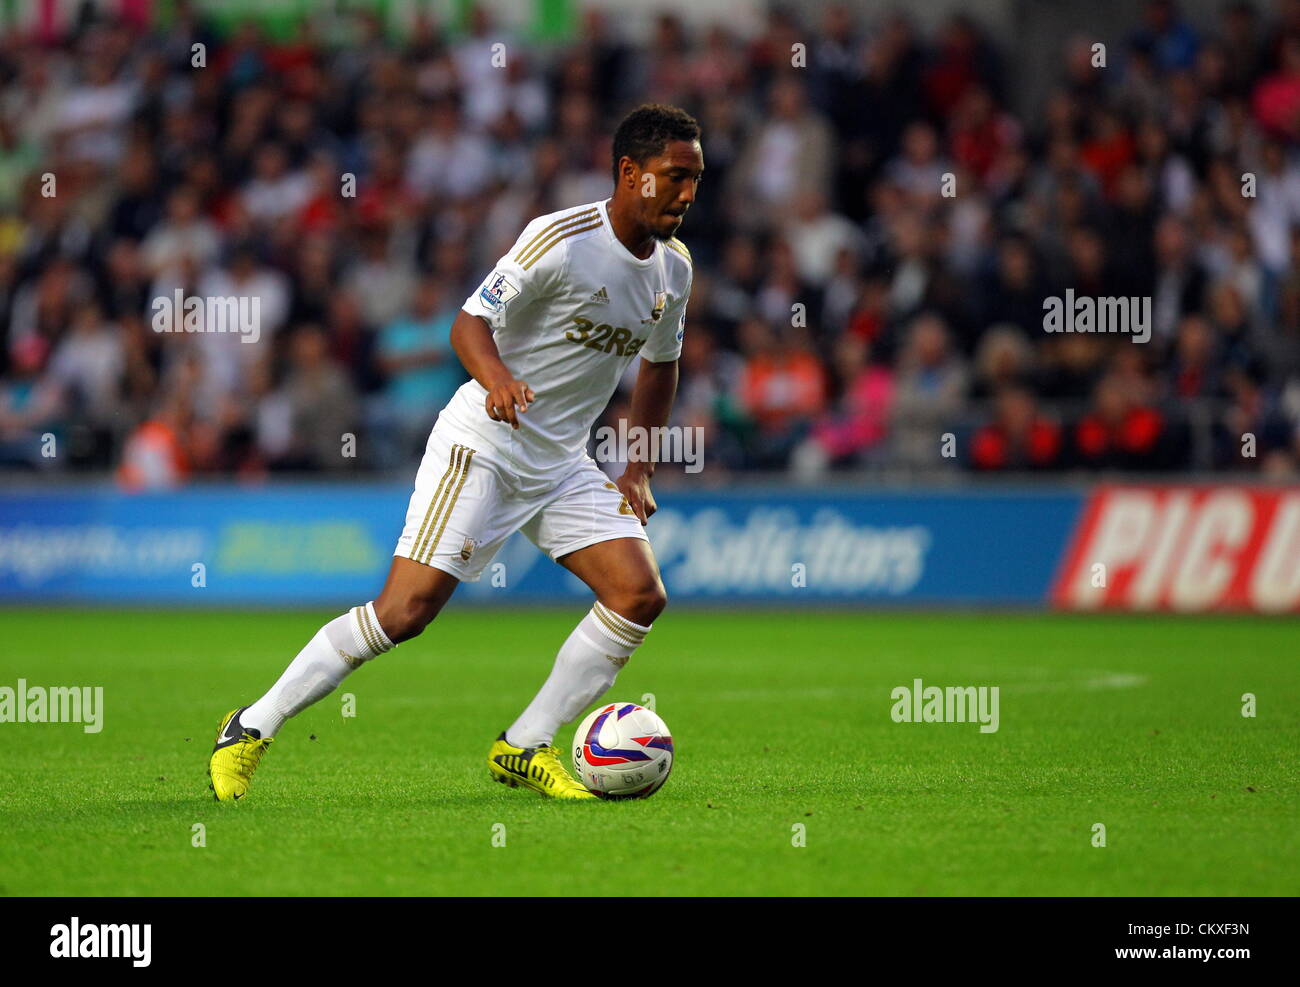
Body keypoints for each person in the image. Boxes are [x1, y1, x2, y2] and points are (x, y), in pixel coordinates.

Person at [208, 104, 703, 801]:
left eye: (695, 180)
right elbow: (469, 321)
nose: (686, 194)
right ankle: (250, 726)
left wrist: (640, 464)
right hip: (486, 440)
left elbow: (660, 365)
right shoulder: (560, 239)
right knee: (404, 612)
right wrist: (497, 378)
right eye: (673, 177)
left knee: (638, 593)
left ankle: (525, 744)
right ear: (630, 173)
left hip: (561, 460)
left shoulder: (674, 271)